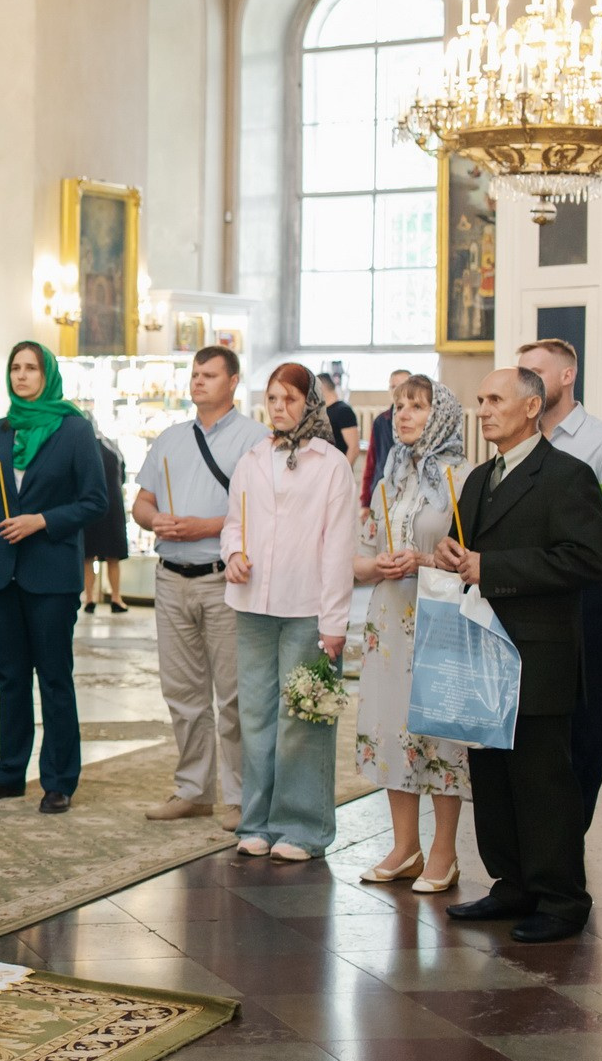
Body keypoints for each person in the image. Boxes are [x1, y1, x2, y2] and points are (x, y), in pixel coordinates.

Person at [437, 367, 602, 944]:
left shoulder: (568, 476)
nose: (482, 409)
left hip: (538, 653)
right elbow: (475, 552)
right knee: (492, 775)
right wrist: (454, 554)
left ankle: (561, 900)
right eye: (480, 399)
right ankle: (511, 884)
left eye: (495, 400)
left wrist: (494, 568)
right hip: (482, 649)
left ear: (532, 407)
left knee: (541, 782)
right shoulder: (479, 478)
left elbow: (586, 561)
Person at [0, 341, 109, 812]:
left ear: (47, 374)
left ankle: (59, 779)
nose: (22, 376)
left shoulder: (74, 430)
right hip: (2, 575)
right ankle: (9, 773)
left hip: (52, 573)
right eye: (15, 368)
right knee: (9, 678)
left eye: (31, 368)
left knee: (53, 678)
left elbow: (95, 501)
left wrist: (42, 520)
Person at [222, 363, 356, 862]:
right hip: (254, 605)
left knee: (303, 717)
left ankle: (303, 827)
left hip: (308, 609)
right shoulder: (253, 458)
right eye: (273, 399)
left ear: (310, 403)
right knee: (256, 715)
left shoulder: (330, 464)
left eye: (290, 400)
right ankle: (256, 821)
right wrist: (234, 553)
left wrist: (334, 622)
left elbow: (339, 546)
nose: (280, 408)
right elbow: (235, 521)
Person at [131, 346, 269, 829]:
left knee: (232, 694)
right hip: (171, 577)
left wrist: (203, 527)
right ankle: (193, 789)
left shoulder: (256, 439)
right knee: (182, 691)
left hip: (222, 579)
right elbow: (141, 502)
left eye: (209, 375)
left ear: (233, 381)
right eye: (194, 374)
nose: (198, 382)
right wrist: (157, 521)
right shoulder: (170, 437)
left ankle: (238, 795)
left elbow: (260, 513)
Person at [516, 338, 602, 829]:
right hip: (525, 585)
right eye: (520, 371)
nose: (525, 380)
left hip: (579, 588)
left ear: (567, 376)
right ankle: (531, 820)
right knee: (530, 705)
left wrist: (569, 526)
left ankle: (574, 824)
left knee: (582, 706)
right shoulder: (517, 436)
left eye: (535, 371)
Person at [353, 376, 470, 893]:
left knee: (439, 729)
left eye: (416, 407)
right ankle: (405, 847)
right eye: (398, 406)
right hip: (389, 617)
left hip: (440, 616)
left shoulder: (460, 479)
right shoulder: (388, 479)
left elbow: (469, 556)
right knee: (392, 727)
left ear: (439, 414)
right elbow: (360, 554)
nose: (402, 415)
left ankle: (444, 851)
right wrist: (376, 563)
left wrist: (421, 559)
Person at [82, 433, 130, 614]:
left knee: (88, 556)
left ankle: (89, 599)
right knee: (113, 556)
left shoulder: (85, 447)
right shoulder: (113, 447)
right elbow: (122, 475)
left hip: (90, 504)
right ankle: (116, 597)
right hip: (113, 504)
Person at [358, 369, 414, 516]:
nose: (397, 391)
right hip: (381, 490)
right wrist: (365, 501)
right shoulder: (381, 421)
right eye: (393, 386)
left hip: (407, 492)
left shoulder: (417, 422)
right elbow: (372, 461)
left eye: (402, 386)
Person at [318, 371, 360, 460]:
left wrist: (343, 472)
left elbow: (354, 448)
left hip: (338, 467)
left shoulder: (343, 411)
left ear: (320, 388)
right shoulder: (322, 411)